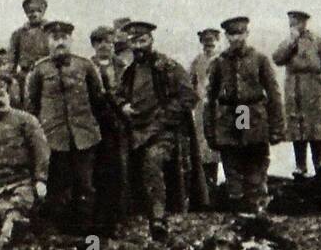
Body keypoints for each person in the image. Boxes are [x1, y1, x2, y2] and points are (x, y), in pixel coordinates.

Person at [116, 21, 199, 238]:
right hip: (136, 131)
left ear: (151, 40)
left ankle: (158, 219)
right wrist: (123, 105)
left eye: (142, 41)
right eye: (134, 42)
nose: (139, 46)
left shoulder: (167, 66)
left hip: (164, 132)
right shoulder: (129, 71)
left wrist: (162, 116)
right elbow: (118, 94)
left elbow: (189, 97)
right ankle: (127, 216)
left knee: (152, 160)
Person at [25, 20, 107, 229]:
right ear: (48, 41)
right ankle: (61, 234)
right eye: (55, 38)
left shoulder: (85, 66)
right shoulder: (39, 70)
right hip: (53, 138)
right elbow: (31, 106)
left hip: (84, 136)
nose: (60, 42)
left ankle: (87, 230)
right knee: (59, 185)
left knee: (86, 185)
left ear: (71, 40)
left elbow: (98, 99)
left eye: (64, 38)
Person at [204, 16, 285, 214]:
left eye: (240, 33)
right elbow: (209, 99)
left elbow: (274, 94)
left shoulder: (259, 60)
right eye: (232, 34)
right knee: (232, 164)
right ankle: (238, 208)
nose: (236, 39)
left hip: (252, 115)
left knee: (256, 161)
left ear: (247, 34)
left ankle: (257, 206)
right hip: (228, 117)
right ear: (226, 36)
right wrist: (210, 132)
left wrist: (277, 128)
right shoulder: (219, 63)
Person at [0, 74, 49, 250]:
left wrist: (41, 179)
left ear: (9, 96)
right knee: (7, 212)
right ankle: (14, 241)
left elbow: (41, 151)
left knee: (15, 209)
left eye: (2, 95)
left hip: (24, 183)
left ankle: (0, 247)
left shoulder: (26, 121)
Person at [272, 10, 321, 178]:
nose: (294, 26)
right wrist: (291, 42)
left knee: (316, 125)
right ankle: (300, 166)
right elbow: (277, 59)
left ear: (304, 23)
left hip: (314, 89)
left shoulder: (317, 41)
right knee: (297, 126)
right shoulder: (287, 42)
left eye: (297, 23)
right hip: (294, 89)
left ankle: (319, 162)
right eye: (291, 24)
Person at [89, 26, 130, 233]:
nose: (104, 46)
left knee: (120, 169)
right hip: (96, 125)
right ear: (94, 45)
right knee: (99, 170)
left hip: (120, 124)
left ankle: (120, 215)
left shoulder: (123, 67)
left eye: (108, 42)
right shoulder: (88, 67)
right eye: (99, 42)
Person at [190, 28, 222, 196]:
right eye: (205, 44)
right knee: (204, 146)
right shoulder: (197, 61)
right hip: (202, 109)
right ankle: (209, 187)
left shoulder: (223, 60)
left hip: (222, 109)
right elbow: (190, 84)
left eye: (211, 43)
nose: (208, 47)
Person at [7, 0, 49, 77]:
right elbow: (12, 59)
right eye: (30, 11)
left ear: (43, 12)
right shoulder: (18, 34)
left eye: (38, 11)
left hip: (46, 73)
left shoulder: (50, 31)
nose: (34, 14)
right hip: (26, 74)